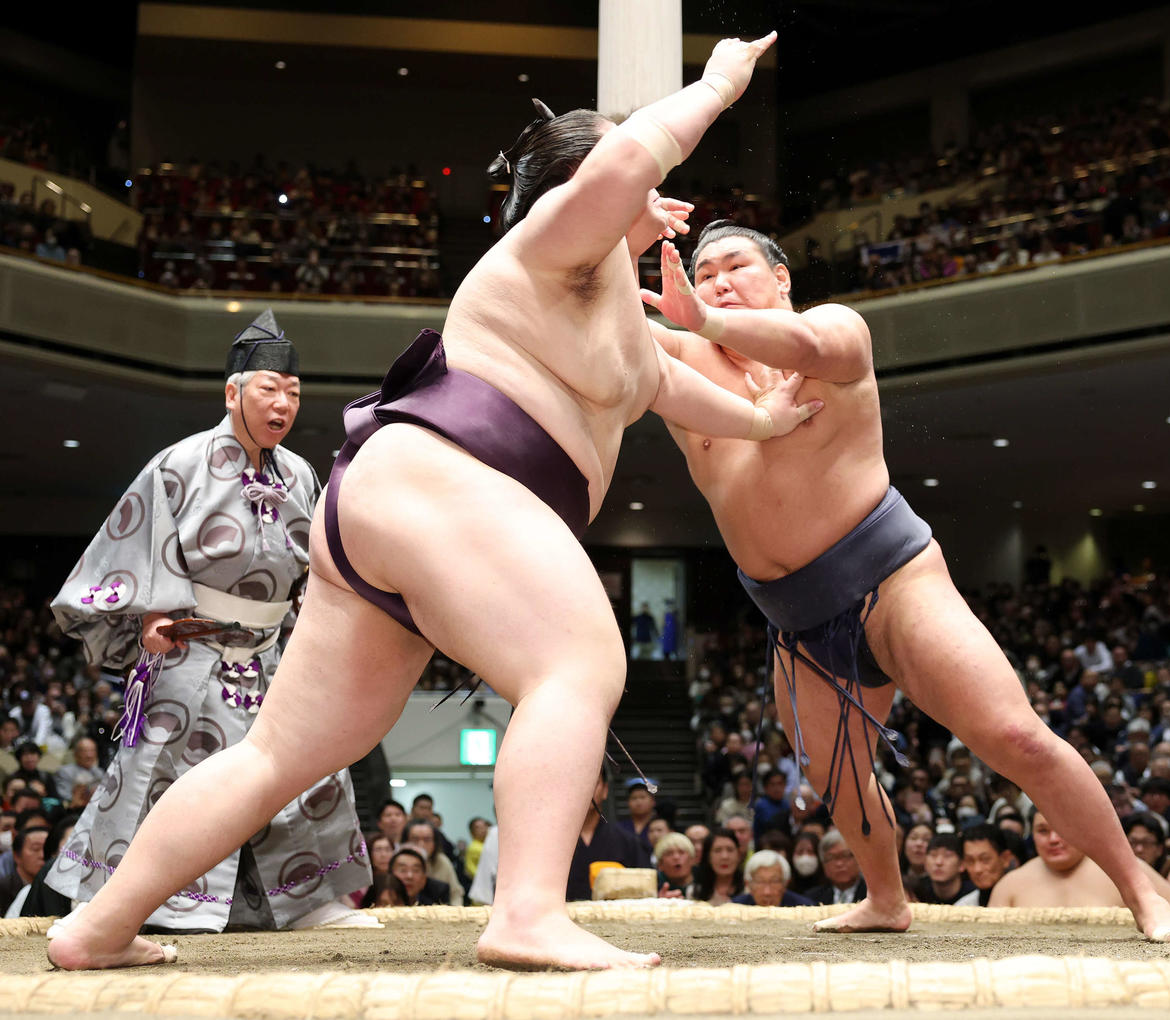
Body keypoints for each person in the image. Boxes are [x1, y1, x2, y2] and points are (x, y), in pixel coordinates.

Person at [49, 31, 800, 974]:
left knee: (281, 754)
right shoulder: (551, 240)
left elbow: (667, 387)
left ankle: (97, 927)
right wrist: (719, 85)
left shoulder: (609, 299)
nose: (648, 185)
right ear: (586, 180)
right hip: (446, 479)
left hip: (404, 503)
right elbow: (624, 164)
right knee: (576, 664)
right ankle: (526, 914)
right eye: (625, 165)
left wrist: (766, 421)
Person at [641, 219, 1170, 942]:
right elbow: (596, 322)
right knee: (833, 773)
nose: (717, 281)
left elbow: (805, 346)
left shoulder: (836, 329)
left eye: (735, 266)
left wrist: (709, 318)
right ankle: (886, 899)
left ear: (781, 278)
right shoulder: (681, 357)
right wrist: (631, 228)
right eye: (704, 272)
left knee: (1014, 736)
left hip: (892, 581)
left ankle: (1140, 892)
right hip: (795, 618)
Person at [43, 311, 370, 934]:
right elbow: (138, 541)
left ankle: (308, 900)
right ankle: (111, 903)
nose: (283, 404)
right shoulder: (178, 464)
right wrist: (153, 614)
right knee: (157, 770)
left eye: (293, 393)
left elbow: (314, 569)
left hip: (274, 653)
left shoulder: (301, 474)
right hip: (193, 648)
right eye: (269, 389)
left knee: (307, 767)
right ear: (232, 393)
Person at [988, 809, 1170, 911]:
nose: (1053, 839)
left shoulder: (1129, 872)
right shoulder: (1010, 885)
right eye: (1043, 831)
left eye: (1062, 828)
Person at [567, 769, 651, 902]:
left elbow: (645, 889)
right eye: (579, 783)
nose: (586, 790)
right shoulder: (553, 843)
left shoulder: (626, 840)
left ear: (605, 790)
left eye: (593, 783)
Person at [954, 824, 1017, 907]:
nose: (977, 869)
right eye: (970, 861)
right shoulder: (962, 907)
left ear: (1005, 858)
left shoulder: (1026, 901)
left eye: (985, 859)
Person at [732, 849, 814, 907]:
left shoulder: (805, 907)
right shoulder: (735, 907)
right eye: (760, 882)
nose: (767, 892)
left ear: (785, 883)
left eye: (774, 881)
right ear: (748, 884)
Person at [807, 830, 867, 905]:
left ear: (858, 859)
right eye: (831, 858)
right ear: (823, 864)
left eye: (845, 855)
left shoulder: (873, 896)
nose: (839, 864)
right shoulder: (811, 898)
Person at [912, 832, 974, 905]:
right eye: (933, 855)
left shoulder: (973, 896)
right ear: (925, 862)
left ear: (962, 864)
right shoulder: (916, 892)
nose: (938, 862)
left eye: (947, 855)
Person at [695, 828, 744, 906]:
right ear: (708, 856)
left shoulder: (751, 890)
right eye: (717, 850)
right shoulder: (695, 891)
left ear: (739, 855)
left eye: (730, 850)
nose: (724, 856)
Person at [653, 832, 696, 898]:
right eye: (669, 853)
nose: (676, 857)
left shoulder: (704, 882)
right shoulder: (654, 885)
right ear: (660, 864)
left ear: (692, 859)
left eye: (681, 852)